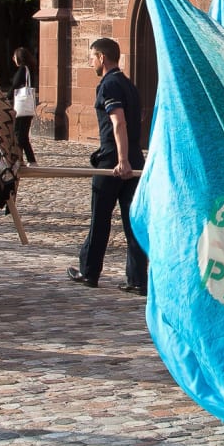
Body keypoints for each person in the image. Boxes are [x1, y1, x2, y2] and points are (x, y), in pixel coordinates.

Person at [68, 37, 147, 293]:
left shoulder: (110, 85)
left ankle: (89, 271)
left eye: (92, 57)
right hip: (133, 158)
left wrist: (121, 160)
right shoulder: (128, 85)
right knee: (131, 221)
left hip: (115, 160)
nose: (90, 61)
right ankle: (137, 279)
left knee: (100, 218)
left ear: (102, 58)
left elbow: (119, 123)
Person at [10, 46, 38, 165]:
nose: (13, 59)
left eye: (15, 56)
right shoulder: (30, 69)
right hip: (27, 106)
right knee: (21, 134)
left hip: (21, 106)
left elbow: (15, 85)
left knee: (20, 134)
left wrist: (6, 97)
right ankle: (21, 159)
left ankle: (28, 160)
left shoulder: (23, 69)